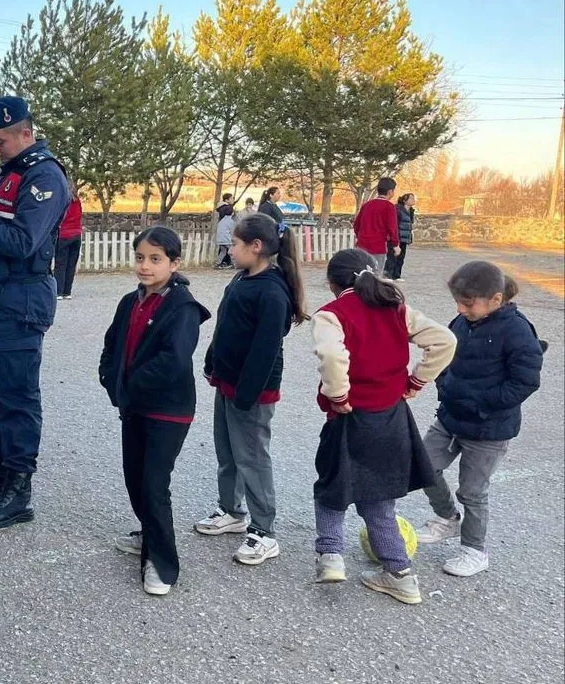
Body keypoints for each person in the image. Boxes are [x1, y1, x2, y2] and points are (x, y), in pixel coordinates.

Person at [309, 249, 457, 605]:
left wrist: (339, 394)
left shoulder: (331, 315)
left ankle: (330, 556)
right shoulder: (396, 309)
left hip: (349, 417)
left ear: (332, 283)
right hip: (391, 417)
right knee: (378, 500)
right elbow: (444, 341)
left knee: (331, 485)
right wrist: (417, 382)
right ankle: (400, 575)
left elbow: (331, 356)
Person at [0, 95, 72, 529]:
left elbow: (23, 240)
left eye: (0, 141)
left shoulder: (44, 176)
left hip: (20, 299)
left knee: (18, 398)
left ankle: (19, 490)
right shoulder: (12, 173)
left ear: (25, 134)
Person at [412, 262, 546, 576]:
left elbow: (525, 381)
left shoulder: (517, 330)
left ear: (496, 299)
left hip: (489, 428)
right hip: (450, 418)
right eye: (458, 301)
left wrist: (482, 404)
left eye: (468, 303)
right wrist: (444, 385)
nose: (460, 308)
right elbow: (445, 354)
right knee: (422, 467)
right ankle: (447, 519)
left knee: (472, 491)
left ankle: (474, 550)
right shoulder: (461, 320)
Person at [99, 227, 211, 596]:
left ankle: (161, 563)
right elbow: (113, 341)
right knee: (134, 478)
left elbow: (174, 360)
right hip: (134, 407)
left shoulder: (182, 307)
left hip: (168, 410)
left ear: (174, 263)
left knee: (152, 483)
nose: (145, 266)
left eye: (155, 259)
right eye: (140, 258)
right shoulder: (131, 301)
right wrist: (108, 375)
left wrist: (130, 385)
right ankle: (149, 531)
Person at [195, 213, 308, 565]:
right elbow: (225, 323)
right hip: (228, 382)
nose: (231, 249)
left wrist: (246, 394)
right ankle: (231, 511)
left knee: (252, 457)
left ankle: (264, 530)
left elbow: (265, 349)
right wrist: (213, 358)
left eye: (237, 244)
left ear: (256, 247)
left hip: (253, 391)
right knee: (227, 450)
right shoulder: (241, 278)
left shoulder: (273, 292)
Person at [352, 178, 401, 273]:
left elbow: (356, 225)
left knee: (360, 273)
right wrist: (396, 245)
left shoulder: (366, 205)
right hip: (378, 246)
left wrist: (361, 236)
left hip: (362, 245)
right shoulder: (389, 207)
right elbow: (392, 228)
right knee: (376, 274)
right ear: (390, 191)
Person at [55, 192, 84, 300]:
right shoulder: (77, 201)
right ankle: (67, 292)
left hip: (64, 234)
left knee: (61, 264)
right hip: (76, 234)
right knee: (71, 265)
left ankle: (59, 291)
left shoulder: (62, 201)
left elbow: (59, 217)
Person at [386, 193, 416, 280]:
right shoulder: (398, 209)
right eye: (411, 198)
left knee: (401, 257)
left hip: (404, 238)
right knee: (392, 256)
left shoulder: (411, 211)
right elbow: (394, 223)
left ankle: (397, 275)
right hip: (397, 236)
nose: (413, 200)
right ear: (405, 200)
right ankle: (389, 274)